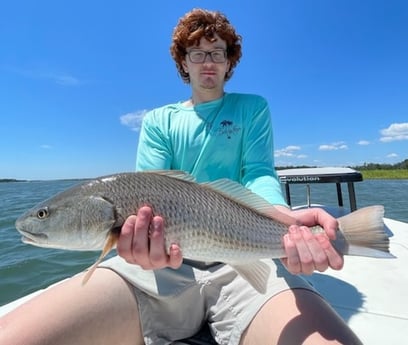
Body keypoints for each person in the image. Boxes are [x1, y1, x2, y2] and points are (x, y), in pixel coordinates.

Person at [0, 8, 362, 345]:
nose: (208, 62)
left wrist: (283, 220)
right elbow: (148, 190)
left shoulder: (252, 108)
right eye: (197, 53)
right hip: (161, 267)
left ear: (229, 62)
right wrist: (142, 248)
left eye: (217, 52)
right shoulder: (159, 120)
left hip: (243, 258)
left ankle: (360, 237)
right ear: (183, 63)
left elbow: (258, 173)